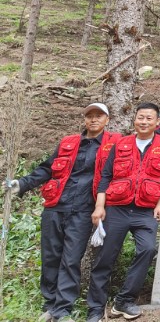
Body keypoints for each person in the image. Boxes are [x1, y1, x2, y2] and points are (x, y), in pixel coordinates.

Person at [5, 103, 118, 322]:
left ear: (107, 119)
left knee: (71, 258)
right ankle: (50, 303)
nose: (94, 120)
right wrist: (23, 183)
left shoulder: (114, 143)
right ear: (84, 119)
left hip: (85, 210)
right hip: (55, 205)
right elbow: (47, 168)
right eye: (90, 116)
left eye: (99, 116)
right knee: (50, 256)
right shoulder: (69, 142)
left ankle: (62, 308)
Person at [86, 103, 160, 322]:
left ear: (157, 122)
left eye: (149, 118)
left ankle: (124, 301)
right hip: (117, 208)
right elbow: (106, 176)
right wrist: (99, 206)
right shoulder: (121, 143)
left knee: (147, 249)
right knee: (105, 257)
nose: (144, 122)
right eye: (140, 117)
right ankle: (96, 308)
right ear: (134, 120)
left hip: (145, 211)